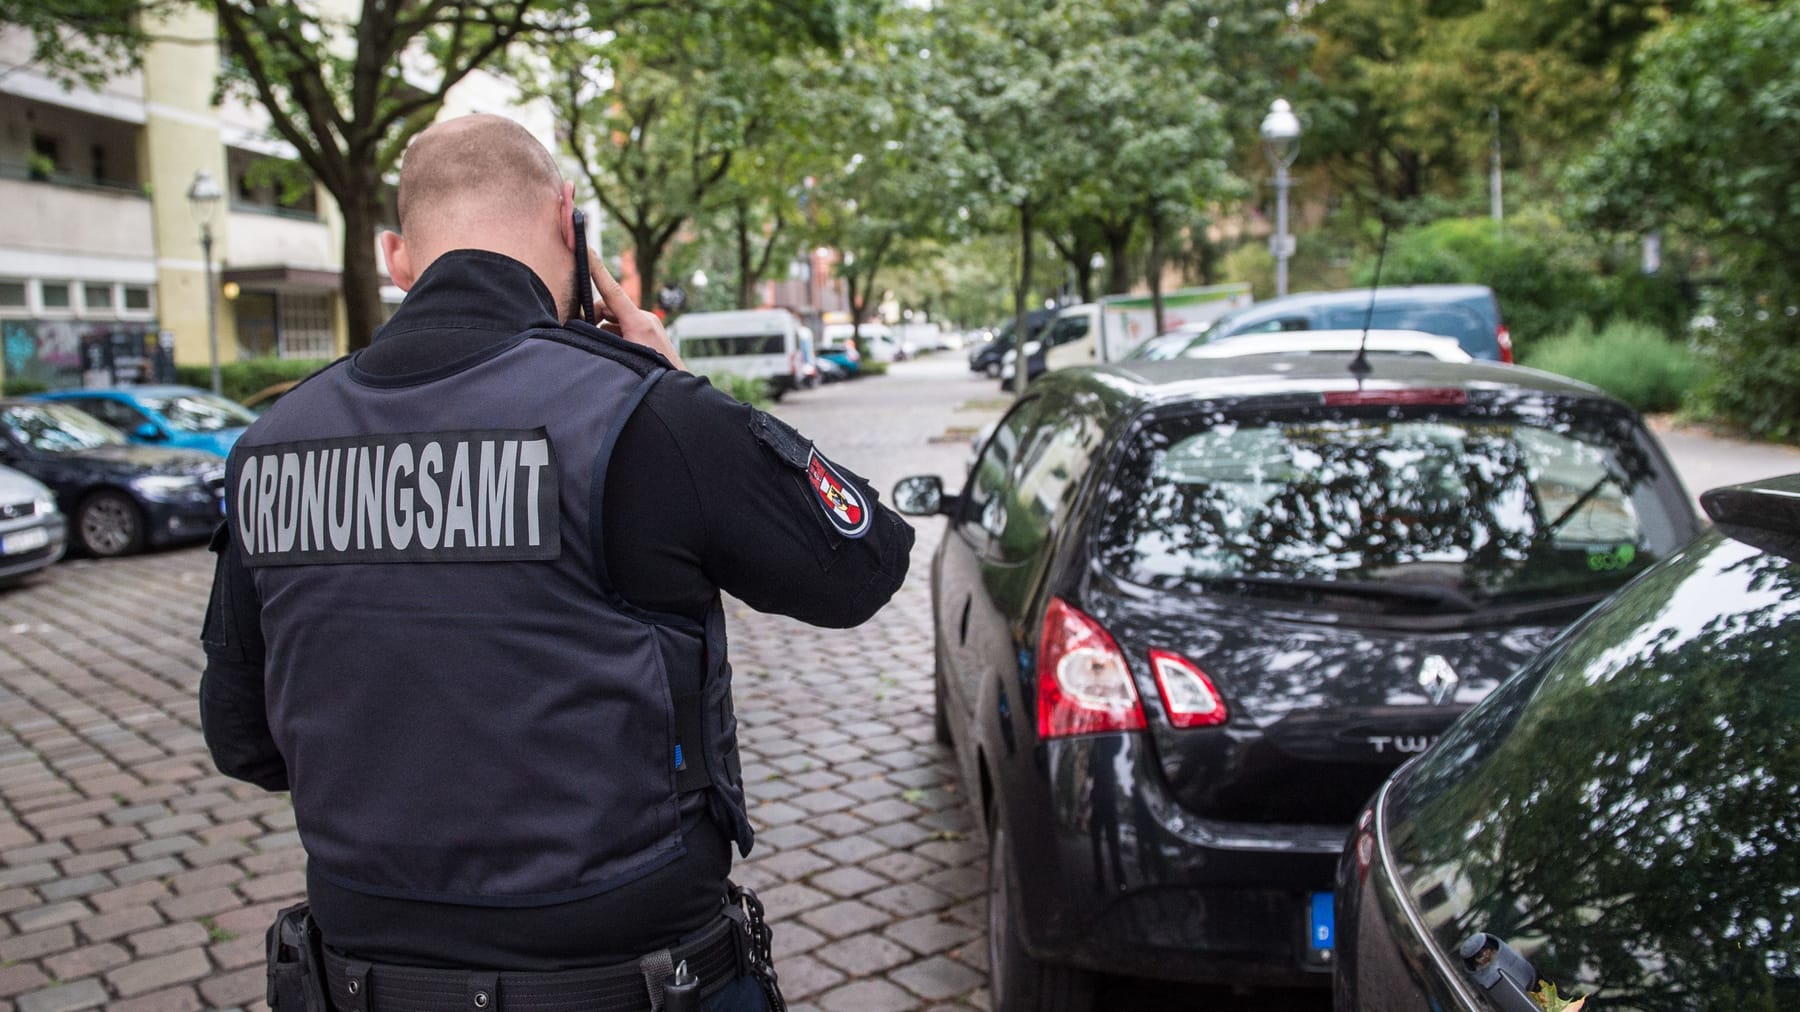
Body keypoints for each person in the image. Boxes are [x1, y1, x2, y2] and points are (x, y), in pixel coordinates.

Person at [198, 114, 914, 1012]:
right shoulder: (644, 412)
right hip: (636, 975)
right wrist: (673, 383)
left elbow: (245, 740)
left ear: (394, 257)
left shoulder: (270, 444)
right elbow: (864, 565)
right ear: (568, 217)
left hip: (365, 979)